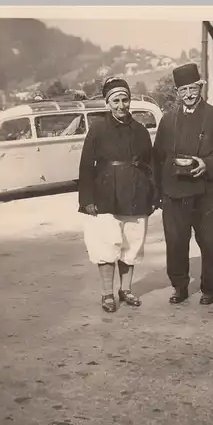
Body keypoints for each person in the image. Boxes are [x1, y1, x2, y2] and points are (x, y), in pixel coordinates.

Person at [153, 63, 213, 305]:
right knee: (176, 242)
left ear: (200, 87)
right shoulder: (168, 120)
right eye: (183, 90)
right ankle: (179, 286)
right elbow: (157, 156)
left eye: (193, 88)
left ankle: (210, 288)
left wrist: (208, 165)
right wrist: (159, 192)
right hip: (175, 192)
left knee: (211, 242)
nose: (189, 95)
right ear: (177, 92)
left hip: (208, 192)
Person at [78, 77, 156, 313]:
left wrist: (153, 195)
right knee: (107, 245)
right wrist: (87, 200)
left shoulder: (140, 130)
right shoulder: (97, 130)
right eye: (116, 101)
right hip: (106, 195)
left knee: (131, 244)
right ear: (107, 103)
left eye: (125, 100)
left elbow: (150, 165)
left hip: (135, 192)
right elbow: (85, 167)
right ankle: (107, 293)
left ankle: (126, 289)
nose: (121, 105)